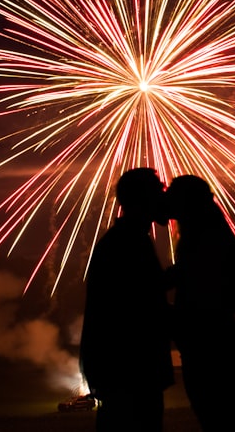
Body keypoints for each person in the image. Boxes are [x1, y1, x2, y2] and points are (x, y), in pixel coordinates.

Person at [79, 167, 174, 432]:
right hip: (131, 373)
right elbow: (140, 306)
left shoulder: (124, 240)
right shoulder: (128, 243)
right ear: (144, 199)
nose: (164, 198)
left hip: (121, 372)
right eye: (159, 192)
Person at [165, 174, 235, 431]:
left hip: (211, 347)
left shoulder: (204, 243)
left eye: (173, 195)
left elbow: (196, 291)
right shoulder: (212, 236)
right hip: (219, 344)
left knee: (220, 420)